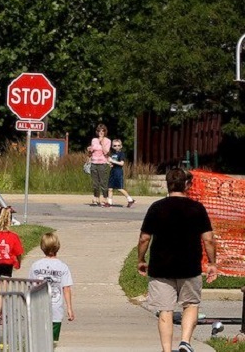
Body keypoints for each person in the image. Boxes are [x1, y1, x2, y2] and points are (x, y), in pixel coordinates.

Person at [138, 167, 217, 352]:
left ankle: (166, 349)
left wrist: (141, 259)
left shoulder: (156, 207)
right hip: (189, 266)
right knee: (191, 304)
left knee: (165, 310)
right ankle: (185, 342)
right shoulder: (197, 208)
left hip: (160, 267)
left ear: (167, 184)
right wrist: (212, 263)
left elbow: (144, 238)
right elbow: (209, 239)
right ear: (187, 185)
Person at [28, 232, 75, 343]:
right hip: (56, 309)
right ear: (58, 247)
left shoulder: (35, 266)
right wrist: (69, 308)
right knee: (53, 342)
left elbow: (30, 286)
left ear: (42, 247)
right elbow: (66, 288)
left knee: (39, 340)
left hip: (38, 308)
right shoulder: (63, 267)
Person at [0, 206, 23, 277]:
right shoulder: (13, 236)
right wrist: (19, 263)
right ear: (10, 221)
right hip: (7, 263)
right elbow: (18, 253)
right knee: (5, 282)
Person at [87, 124, 111, 207]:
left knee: (103, 182)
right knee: (95, 183)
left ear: (105, 132)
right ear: (97, 132)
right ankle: (96, 198)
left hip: (102, 163)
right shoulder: (94, 140)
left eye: (103, 131)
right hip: (94, 162)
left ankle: (105, 199)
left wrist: (101, 142)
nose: (101, 132)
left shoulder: (107, 141)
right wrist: (89, 149)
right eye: (99, 131)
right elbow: (91, 150)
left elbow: (106, 152)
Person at [107, 139, 136, 208]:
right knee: (110, 188)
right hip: (112, 171)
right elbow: (112, 163)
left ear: (121, 146)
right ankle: (109, 203)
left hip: (118, 172)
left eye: (118, 145)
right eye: (115, 145)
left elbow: (121, 163)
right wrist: (109, 163)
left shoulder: (121, 154)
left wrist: (112, 161)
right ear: (112, 146)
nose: (117, 147)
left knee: (120, 188)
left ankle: (130, 199)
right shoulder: (112, 154)